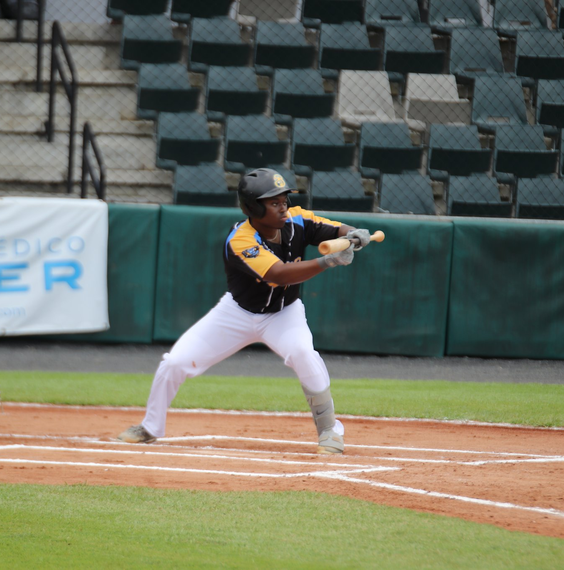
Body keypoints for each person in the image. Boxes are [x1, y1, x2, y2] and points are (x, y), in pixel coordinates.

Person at [117, 168, 373, 454]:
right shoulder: (240, 240)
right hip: (236, 313)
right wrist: (328, 262)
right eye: (274, 202)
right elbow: (279, 274)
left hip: (284, 313)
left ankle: (329, 430)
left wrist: (354, 234)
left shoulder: (299, 218)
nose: (283, 206)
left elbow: (336, 229)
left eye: (284, 199)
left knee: (304, 353)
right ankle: (150, 427)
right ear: (252, 207)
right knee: (175, 363)